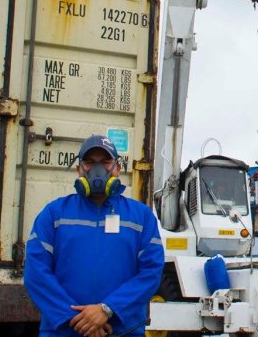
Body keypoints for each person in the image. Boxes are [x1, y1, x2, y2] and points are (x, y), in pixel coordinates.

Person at [24, 135, 164, 337]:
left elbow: (151, 273)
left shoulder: (142, 217)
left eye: (105, 162)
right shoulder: (54, 214)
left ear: (117, 168)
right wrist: (77, 320)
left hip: (123, 331)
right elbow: (35, 274)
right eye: (89, 162)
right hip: (63, 331)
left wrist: (108, 309)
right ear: (79, 169)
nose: (98, 169)